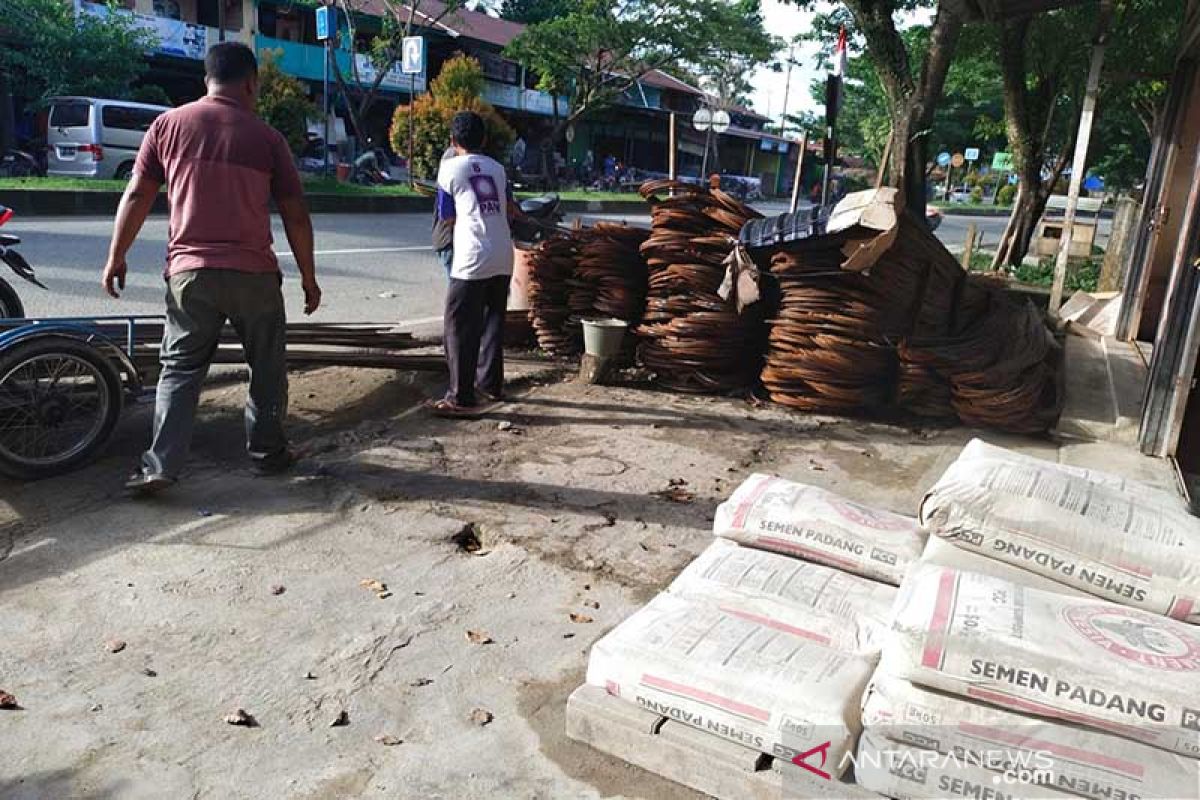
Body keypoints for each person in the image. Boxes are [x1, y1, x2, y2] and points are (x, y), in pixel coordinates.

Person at [102, 42, 321, 494]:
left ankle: (160, 465)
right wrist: (308, 276)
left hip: (190, 274)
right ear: (250, 83)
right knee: (266, 368)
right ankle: (268, 455)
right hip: (254, 276)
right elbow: (296, 214)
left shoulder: (167, 126)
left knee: (179, 370)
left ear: (207, 79)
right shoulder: (268, 139)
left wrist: (116, 256)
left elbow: (138, 195)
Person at [427, 111, 513, 417]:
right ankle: (490, 384)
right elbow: (506, 207)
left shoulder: (449, 169)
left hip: (472, 256)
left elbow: (446, 215)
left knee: (459, 326)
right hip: (503, 254)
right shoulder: (498, 169)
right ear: (485, 140)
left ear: (453, 140)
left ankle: (460, 397)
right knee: (493, 322)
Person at [432, 145, 458, 276]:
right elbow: (448, 216)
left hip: (445, 239)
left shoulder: (452, 154)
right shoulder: (455, 154)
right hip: (450, 240)